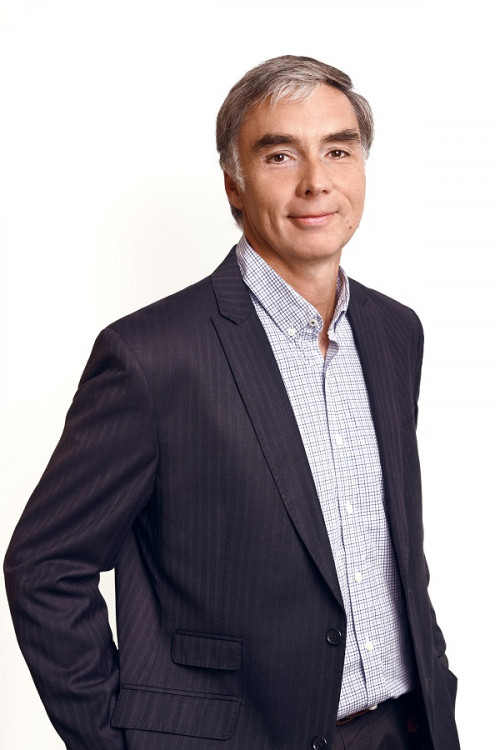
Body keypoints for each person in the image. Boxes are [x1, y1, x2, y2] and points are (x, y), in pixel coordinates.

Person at [4, 55, 460, 750]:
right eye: (280, 155)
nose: (316, 181)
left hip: (405, 729)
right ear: (234, 185)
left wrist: (438, 688)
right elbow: (45, 567)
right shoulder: (152, 355)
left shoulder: (396, 332)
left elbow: (395, 548)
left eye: (338, 150)